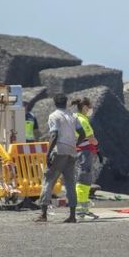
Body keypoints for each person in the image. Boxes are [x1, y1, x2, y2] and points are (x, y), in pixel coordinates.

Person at [36, 93, 86, 223]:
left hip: (59, 150)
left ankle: (43, 214)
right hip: (71, 151)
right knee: (70, 183)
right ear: (65, 102)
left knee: (48, 180)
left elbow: (54, 135)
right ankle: (72, 215)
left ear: (55, 103)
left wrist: (48, 153)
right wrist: (76, 144)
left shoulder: (54, 116)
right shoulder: (73, 116)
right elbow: (83, 133)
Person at [73, 97, 99, 220]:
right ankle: (81, 209)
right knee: (83, 179)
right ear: (84, 107)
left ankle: (83, 208)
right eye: (90, 107)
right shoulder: (82, 120)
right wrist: (96, 142)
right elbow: (91, 138)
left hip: (80, 152)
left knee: (84, 179)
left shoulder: (75, 117)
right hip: (85, 152)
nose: (91, 109)